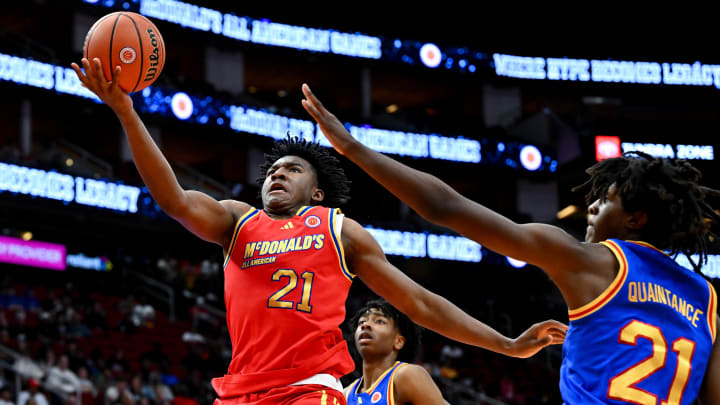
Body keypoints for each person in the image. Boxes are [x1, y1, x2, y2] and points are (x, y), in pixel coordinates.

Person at [71, 58, 566, 405]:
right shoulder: (237, 222)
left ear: (317, 193)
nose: (277, 175)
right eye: (272, 171)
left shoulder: (340, 230)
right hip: (240, 389)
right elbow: (173, 200)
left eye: (291, 169)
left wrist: (505, 344)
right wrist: (126, 112)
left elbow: (419, 303)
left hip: (310, 388)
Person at [301, 83, 720, 404]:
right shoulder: (707, 300)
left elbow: (444, 206)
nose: (590, 208)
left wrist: (352, 148)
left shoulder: (589, 260)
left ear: (636, 218)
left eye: (605, 200)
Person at [344, 299, 446, 405]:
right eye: (362, 322)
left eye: (379, 321)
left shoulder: (406, 375)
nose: (365, 325)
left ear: (399, 341)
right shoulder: (345, 395)